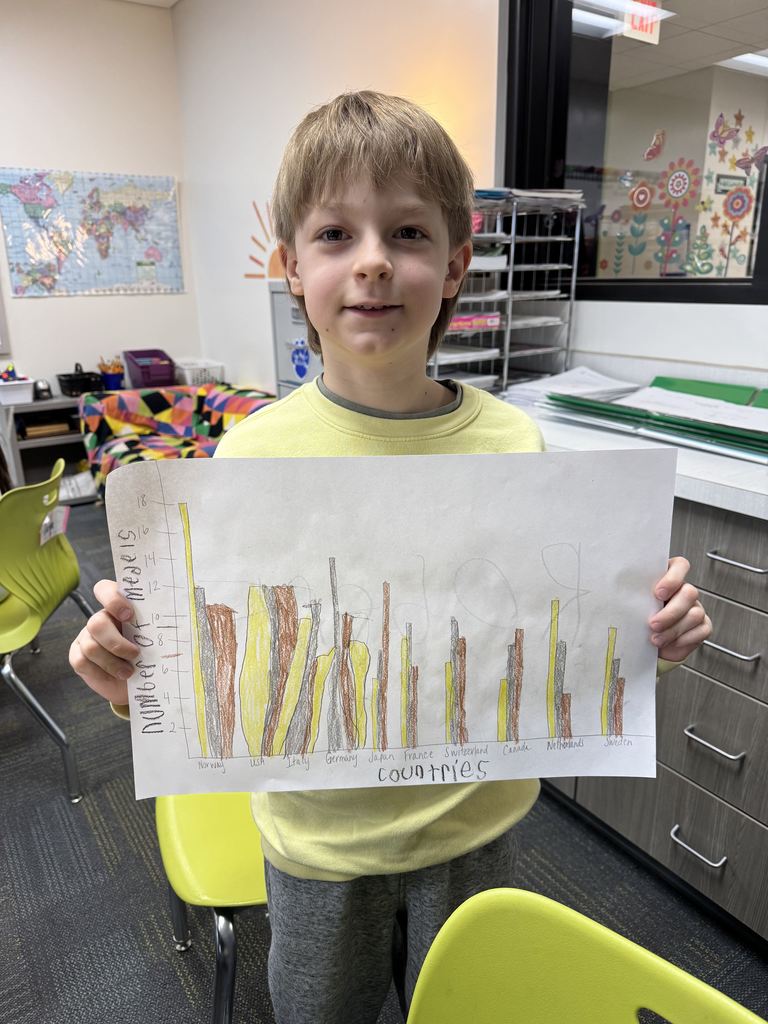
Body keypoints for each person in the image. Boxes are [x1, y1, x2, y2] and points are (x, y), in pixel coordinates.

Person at [69, 91, 712, 1024]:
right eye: (335, 234)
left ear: (455, 266)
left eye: (406, 232)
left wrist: (651, 632)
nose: (372, 261)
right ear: (293, 268)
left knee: (465, 1010)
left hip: (474, 831)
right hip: (319, 845)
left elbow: (552, 632)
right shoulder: (249, 456)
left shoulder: (514, 447)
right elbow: (221, 663)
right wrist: (133, 678)